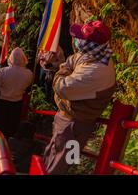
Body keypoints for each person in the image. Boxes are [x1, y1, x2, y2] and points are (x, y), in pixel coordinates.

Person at [43, 20, 116, 175]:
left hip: (72, 125)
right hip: (77, 126)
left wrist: (63, 69)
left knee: (57, 164)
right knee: (64, 159)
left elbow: (60, 87)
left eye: (80, 38)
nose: (77, 40)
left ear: (88, 43)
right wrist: (68, 65)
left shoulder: (94, 70)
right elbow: (73, 60)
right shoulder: (99, 56)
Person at [0, 47, 33, 139]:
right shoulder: (29, 73)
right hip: (17, 104)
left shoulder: (3, 71)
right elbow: (27, 86)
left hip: (2, 103)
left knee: (0, 128)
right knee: (12, 127)